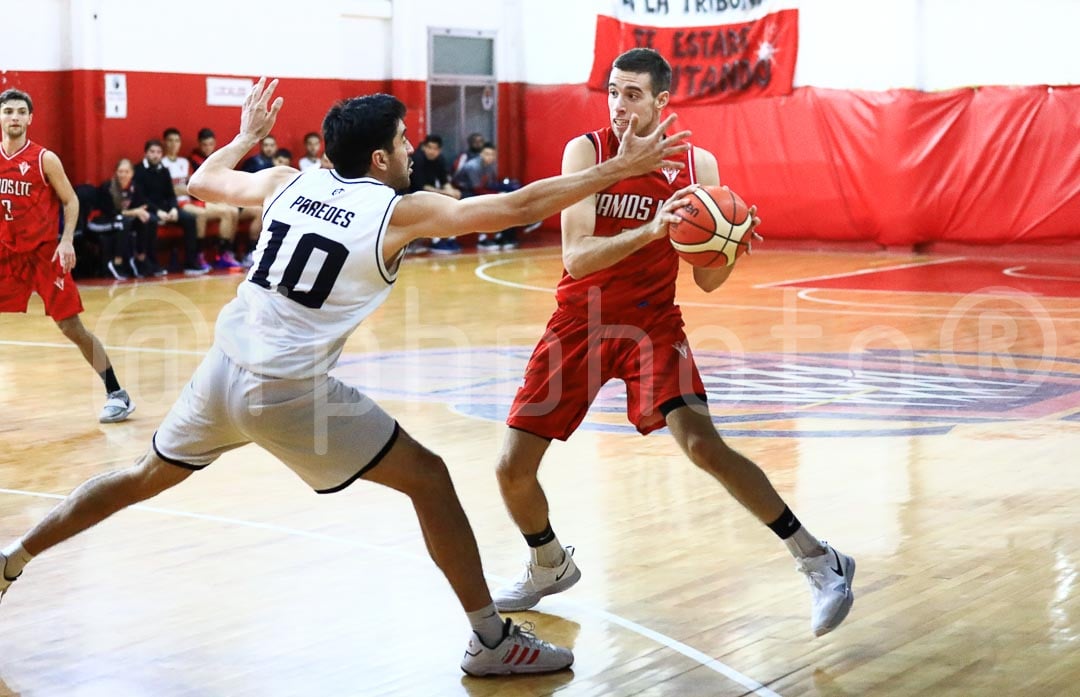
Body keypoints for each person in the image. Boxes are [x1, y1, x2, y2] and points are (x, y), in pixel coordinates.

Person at [0, 77, 690, 675]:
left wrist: (244, 136)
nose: (414, 147)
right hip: (287, 391)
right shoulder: (396, 212)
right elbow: (515, 208)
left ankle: (14, 556)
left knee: (140, 479)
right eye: (404, 138)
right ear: (382, 157)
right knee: (431, 478)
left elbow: (205, 181)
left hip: (221, 369)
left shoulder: (286, 181)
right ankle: (488, 638)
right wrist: (612, 170)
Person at [490, 48, 857, 638]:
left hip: (651, 324)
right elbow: (576, 257)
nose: (617, 104)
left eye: (632, 93)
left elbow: (707, 280)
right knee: (511, 469)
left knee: (703, 445)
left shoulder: (698, 166)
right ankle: (549, 563)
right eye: (612, 91)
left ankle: (820, 560)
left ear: (662, 102)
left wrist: (729, 243)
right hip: (577, 323)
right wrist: (654, 227)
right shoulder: (587, 152)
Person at [0, 88, 135, 423]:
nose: (14, 117)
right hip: (7, 254)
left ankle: (117, 393)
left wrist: (66, 242)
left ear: (30, 118)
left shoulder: (45, 158)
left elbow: (71, 201)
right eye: (8, 112)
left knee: (70, 327)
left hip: (44, 254)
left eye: (20, 112)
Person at [162, 127, 240, 274]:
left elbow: (192, 186)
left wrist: (181, 188)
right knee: (200, 214)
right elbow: (168, 190)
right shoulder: (162, 163)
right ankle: (198, 255)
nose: (174, 144)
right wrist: (182, 188)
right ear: (165, 143)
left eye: (177, 141)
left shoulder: (184, 163)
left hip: (190, 200)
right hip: (175, 204)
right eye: (170, 141)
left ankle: (223, 255)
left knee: (229, 211)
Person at [134, 138, 199, 276]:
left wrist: (174, 208)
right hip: (148, 209)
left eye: (158, 152)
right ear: (146, 153)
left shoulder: (164, 170)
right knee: (150, 221)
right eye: (152, 152)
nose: (155, 155)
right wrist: (158, 212)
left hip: (166, 209)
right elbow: (141, 198)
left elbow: (170, 194)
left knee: (190, 219)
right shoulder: (138, 170)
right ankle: (152, 264)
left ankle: (191, 263)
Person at [452, 142, 523, 250]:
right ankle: (483, 239)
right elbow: (477, 188)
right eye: (486, 154)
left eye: (492, 154)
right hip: (463, 192)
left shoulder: (490, 167)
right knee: (486, 205)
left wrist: (508, 188)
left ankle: (501, 235)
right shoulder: (473, 166)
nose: (489, 157)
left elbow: (489, 184)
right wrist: (498, 195)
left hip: (477, 191)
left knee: (504, 200)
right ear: (481, 154)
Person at [409, 134, 461, 254]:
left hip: (430, 192)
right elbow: (420, 187)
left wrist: (452, 191)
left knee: (454, 201)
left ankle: (450, 237)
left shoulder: (440, 159)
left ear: (439, 150)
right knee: (435, 206)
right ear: (424, 147)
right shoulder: (417, 159)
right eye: (429, 147)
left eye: (435, 149)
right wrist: (445, 193)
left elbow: (444, 181)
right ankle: (436, 241)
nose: (432, 151)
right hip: (411, 194)